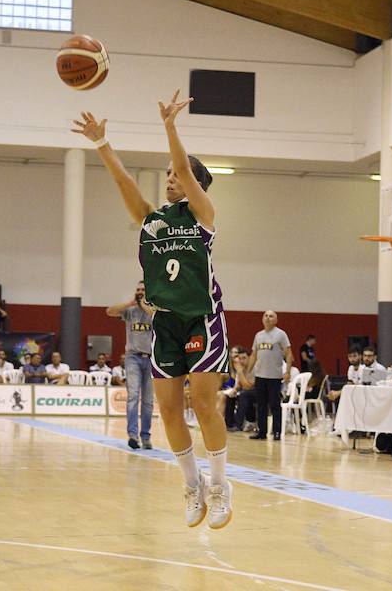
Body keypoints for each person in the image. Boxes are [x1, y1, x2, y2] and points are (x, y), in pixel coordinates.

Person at [72, 91, 232, 529]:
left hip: (202, 317)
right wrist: (102, 144)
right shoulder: (152, 219)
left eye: (177, 176)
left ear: (196, 183)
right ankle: (191, 484)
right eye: (166, 175)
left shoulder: (202, 214)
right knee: (167, 410)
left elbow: (183, 166)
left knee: (202, 404)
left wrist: (169, 126)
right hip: (165, 322)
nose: (170, 179)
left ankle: (219, 485)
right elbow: (126, 185)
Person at [106, 281, 156, 450]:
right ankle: (133, 436)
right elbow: (110, 311)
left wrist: (144, 303)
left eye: (143, 290)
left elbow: (153, 313)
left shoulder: (153, 311)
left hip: (150, 359)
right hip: (133, 358)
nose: (140, 292)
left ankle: (146, 436)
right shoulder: (130, 311)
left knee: (148, 401)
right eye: (138, 290)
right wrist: (130, 303)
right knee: (133, 396)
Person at [246, 311, 293, 441]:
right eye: (265, 316)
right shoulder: (258, 335)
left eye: (271, 316)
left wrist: (287, 371)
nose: (268, 318)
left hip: (275, 376)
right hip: (260, 376)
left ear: (276, 320)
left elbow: (288, 353)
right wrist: (248, 372)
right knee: (261, 405)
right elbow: (254, 355)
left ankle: (277, 431)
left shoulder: (281, 334)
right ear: (262, 319)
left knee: (274, 404)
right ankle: (262, 432)